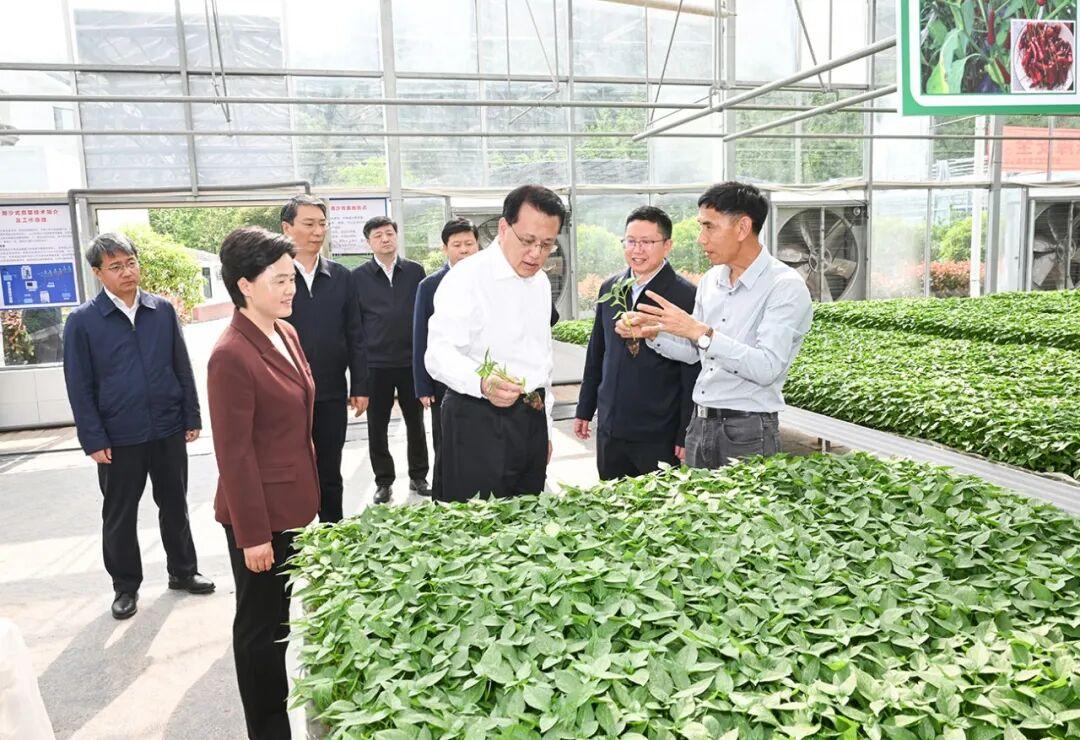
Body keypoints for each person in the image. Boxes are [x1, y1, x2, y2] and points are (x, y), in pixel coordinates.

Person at [62, 232, 213, 621]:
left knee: (175, 503)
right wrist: (93, 438)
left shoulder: (161, 310)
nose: (127, 272)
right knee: (120, 513)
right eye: (115, 266)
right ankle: (125, 586)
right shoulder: (82, 322)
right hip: (118, 436)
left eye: (130, 263)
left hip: (167, 427)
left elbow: (181, 364)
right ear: (98, 273)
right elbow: (79, 386)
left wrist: (191, 414)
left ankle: (183, 571)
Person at [208, 227, 320, 740]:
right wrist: (253, 535)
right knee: (259, 631)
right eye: (279, 280)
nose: (290, 288)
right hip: (259, 519)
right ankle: (268, 731)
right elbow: (234, 454)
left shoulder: (285, 332)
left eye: (291, 277)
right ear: (245, 285)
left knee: (278, 623)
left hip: (290, 506)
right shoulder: (231, 354)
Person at [622, 182, 813, 469]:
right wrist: (653, 333)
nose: (701, 239)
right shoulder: (711, 280)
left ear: (742, 227)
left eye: (709, 227)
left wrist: (700, 332)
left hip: (748, 430)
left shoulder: (784, 286)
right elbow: (694, 352)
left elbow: (767, 367)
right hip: (700, 424)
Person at [426, 184, 565, 502]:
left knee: (529, 516)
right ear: (503, 228)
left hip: (531, 416)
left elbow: (542, 359)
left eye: (547, 244)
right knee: (476, 521)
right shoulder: (467, 277)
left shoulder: (541, 282)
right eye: (527, 241)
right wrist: (482, 382)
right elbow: (439, 353)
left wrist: (544, 427)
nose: (536, 254)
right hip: (478, 418)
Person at [574, 206, 700, 479]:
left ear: (667, 245)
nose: (637, 250)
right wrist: (585, 408)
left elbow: (692, 368)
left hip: (658, 432)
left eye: (647, 242)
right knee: (611, 498)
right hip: (611, 428)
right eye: (630, 241)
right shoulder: (611, 288)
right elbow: (597, 353)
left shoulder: (685, 295)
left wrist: (684, 431)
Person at [279, 194, 367, 522]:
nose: (318, 231)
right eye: (309, 224)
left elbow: (356, 334)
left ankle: (333, 535)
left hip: (330, 391)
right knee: (289, 472)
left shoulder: (342, 277)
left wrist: (360, 385)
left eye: (322, 224)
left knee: (330, 470)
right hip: (285, 395)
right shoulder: (273, 277)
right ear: (287, 228)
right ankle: (294, 540)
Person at [352, 217, 429, 504]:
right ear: (368, 242)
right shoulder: (357, 277)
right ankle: (383, 482)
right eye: (378, 235)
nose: (385, 239)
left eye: (389, 233)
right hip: (376, 364)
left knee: (416, 423)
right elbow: (355, 324)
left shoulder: (414, 271)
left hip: (410, 362)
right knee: (377, 426)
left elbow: (424, 316)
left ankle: (419, 476)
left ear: (396, 236)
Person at [412, 217, 481, 501]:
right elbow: (420, 335)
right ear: (445, 248)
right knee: (445, 442)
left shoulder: (488, 279)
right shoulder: (430, 285)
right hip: (444, 380)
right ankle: (444, 499)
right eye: (457, 245)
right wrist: (423, 385)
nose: (464, 250)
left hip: (483, 376)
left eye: (469, 244)